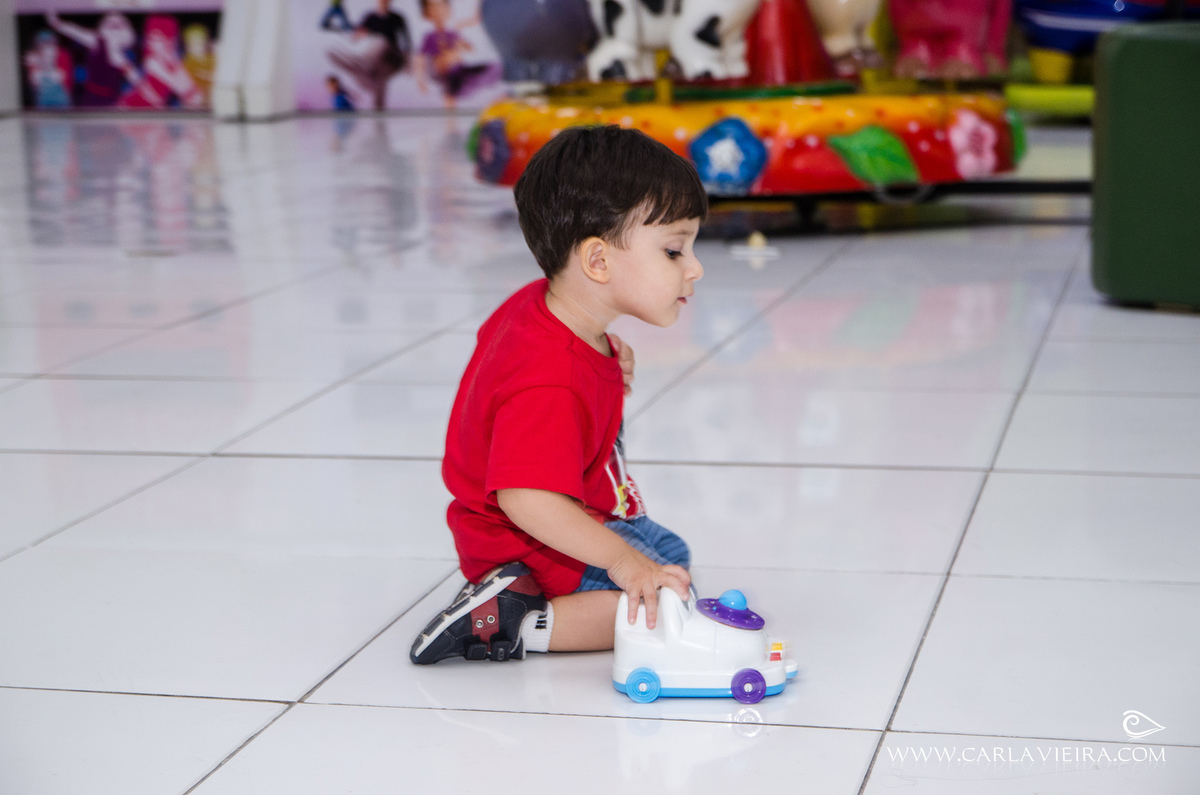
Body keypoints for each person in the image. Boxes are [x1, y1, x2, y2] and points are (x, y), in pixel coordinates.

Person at [411, 126, 707, 665]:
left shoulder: (548, 309)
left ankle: (541, 599)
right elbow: (525, 498)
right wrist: (621, 563)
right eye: (673, 250)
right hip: (524, 543)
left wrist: (604, 359)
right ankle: (516, 620)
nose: (695, 268)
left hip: (550, 517)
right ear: (597, 263)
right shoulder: (550, 380)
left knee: (671, 557)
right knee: (663, 602)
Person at [326, 0, 411, 111]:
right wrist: (355, 33)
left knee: (381, 42)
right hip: (378, 63)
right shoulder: (370, 17)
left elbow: (407, 42)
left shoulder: (398, 18)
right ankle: (378, 113)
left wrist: (407, 61)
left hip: (393, 57)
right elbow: (356, 36)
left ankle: (359, 62)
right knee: (379, 81)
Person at [415, 0, 499, 108]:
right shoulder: (429, 36)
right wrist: (421, 80)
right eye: (433, 7)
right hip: (444, 71)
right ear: (427, 12)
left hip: (458, 71)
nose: (438, 10)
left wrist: (463, 44)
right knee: (449, 79)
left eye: (441, 7)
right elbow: (420, 58)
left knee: (493, 68)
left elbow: (469, 48)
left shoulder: (452, 33)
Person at [45, 11, 138, 107]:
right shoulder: (96, 41)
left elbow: (136, 80)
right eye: (111, 24)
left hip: (112, 101)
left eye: (118, 25)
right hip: (91, 98)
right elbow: (75, 32)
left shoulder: (122, 57)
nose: (114, 28)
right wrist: (56, 23)